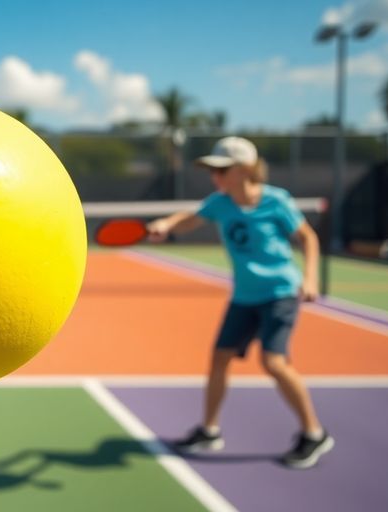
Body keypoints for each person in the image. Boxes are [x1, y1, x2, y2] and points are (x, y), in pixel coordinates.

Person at [147, 136, 332, 469]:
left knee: (274, 363)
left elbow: (308, 237)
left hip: (280, 293)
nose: (215, 177)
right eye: (212, 171)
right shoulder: (221, 203)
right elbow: (190, 217)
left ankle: (314, 433)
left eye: (221, 170)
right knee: (219, 358)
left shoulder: (276, 201)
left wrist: (311, 278)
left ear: (245, 169)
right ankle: (209, 430)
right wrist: (167, 225)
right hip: (244, 296)